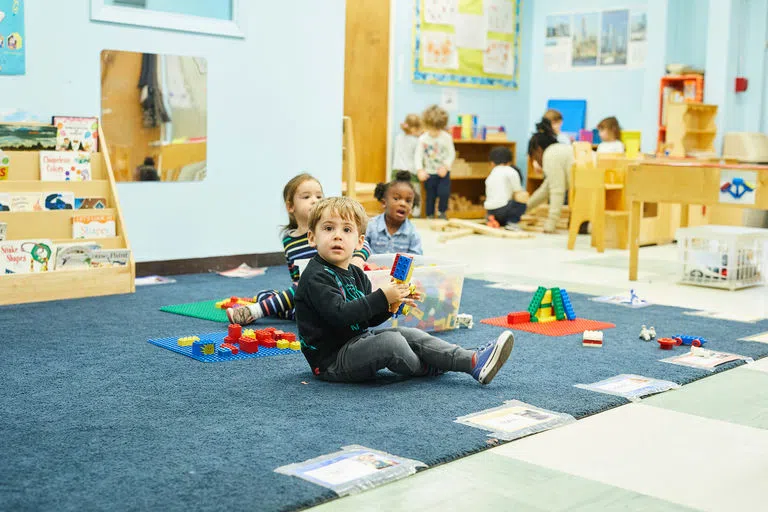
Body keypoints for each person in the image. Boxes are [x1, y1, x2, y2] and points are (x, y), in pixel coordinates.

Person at [295, 196, 514, 385]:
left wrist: (391, 305)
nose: (337, 235)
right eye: (328, 228)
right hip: (331, 361)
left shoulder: (356, 273)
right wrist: (382, 296)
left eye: (346, 230)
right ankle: (429, 367)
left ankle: (473, 361)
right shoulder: (316, 276)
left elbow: (366, 319)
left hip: (356, 342)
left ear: (360, 242)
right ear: (312, 237)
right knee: (392, 343)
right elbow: (340, 315)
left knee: (410, 334)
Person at [226, 174, 371, 325]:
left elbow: (364, 243)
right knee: (266, 294)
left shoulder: (326, 234)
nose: (314, 200)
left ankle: (256, 311)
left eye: (319, 196)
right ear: (290, 207)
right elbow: (295, 275)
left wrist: (357, 258)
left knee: (302, 287)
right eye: (306, 197)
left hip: (333, 289)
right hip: (306, 292)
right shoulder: (289, 240)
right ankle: (297, 312)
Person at [525, 119, 574, 233]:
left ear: (538, 150)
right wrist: (524, 208)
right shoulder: (559, 149)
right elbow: (545, 190)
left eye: (534, 157)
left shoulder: (550, 155)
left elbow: (557, 191)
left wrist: (551, 223)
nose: (536, 161)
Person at [366, 171, 422, 255]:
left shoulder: (412, 233)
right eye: (396, 199)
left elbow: (417, 258)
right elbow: (360, 247)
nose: (403, 204)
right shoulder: (371, 226)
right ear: (384, 203)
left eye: (408, 201)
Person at [415, 105, 455, 220]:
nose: (434, 132)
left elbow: (451, 154)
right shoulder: (423, 139)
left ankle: (442, 213)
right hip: (429, 173)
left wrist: (446, 167)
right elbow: (418, 156)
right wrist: (420, 170)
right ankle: (430, 215)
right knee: (430, 197)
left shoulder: (446, 138)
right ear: (427, 126)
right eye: (432, 129)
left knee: (444, 194)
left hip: (443, 173)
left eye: (437, 129)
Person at [484, 146, 528, 231]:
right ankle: (512, 222)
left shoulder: (491, 174)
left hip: (490, 210)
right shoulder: (511, 171)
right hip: (504, 210)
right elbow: (518, 191)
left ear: (492, 163)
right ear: (510, 162)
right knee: (521, 202)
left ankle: (491, 219)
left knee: (501, 205)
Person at [391, 114, 422, 179]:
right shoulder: (416, 141)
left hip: (396, 171)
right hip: (410, 173)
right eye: (420, 129)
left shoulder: (398, 137)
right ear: (414, 129)